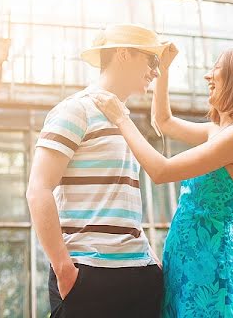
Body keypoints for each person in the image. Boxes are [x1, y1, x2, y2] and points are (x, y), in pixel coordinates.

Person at [94, 45, 233, 318]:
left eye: (216, 71)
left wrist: (122, 118)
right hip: (184, 259)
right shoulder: (218, 132)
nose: (208, 77)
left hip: (208, 266)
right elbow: (163, 121)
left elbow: (161, 171)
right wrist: (165, 70)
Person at [26, 24, 177, 318]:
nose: (156, 72)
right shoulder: (75, 110)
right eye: (152, 60)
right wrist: (64, 269)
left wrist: (149, 260)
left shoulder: (125, 121)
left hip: (140, 275)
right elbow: (38, 189)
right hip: (88, 275)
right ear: (123, 54)